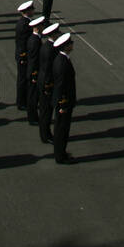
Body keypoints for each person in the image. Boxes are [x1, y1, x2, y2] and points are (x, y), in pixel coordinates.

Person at [51, 32, 76, 163]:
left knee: (62, 128)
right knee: (62, 129)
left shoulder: (62, 59)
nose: (72, 45)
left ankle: (61, 152)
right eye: (70, 43)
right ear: (65, 47)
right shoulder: (62, 63)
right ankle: (60, 156)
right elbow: (61, 85)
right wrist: (62, 104)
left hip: (64, 100)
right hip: (64, 102)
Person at [37, 22, 60, 143]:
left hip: (44, 80)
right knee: (46, 111)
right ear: (54, 35)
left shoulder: (47, 46)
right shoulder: (51, 49)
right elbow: (47, 69)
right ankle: (45, 135)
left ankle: (45, 133)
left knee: (46, 111)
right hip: (47, 82)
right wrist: (47, 85)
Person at [15, 0, 35, 110]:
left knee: (23, 78)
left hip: (24, 54)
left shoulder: (24, 22)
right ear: (27, 11)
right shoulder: (24, 24)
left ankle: (23, 100)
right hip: (24, 55)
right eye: (32, 9)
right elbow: (22, 43)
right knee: (23, 79)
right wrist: (23, 57)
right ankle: (21, 102)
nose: (33, 10)